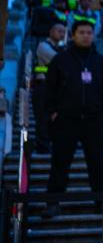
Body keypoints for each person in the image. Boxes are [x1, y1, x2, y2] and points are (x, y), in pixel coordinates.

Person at [43, 22, 103, 218]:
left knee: (97, 162)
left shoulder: (101, 62)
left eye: (89, 32)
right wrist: (53, 112)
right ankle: (53, 203)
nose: (85, 36)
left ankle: (102, 201)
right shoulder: (60, 60)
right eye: (81, 32)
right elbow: (49, 89)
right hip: (66, 120)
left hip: (93, 120)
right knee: (60, 162)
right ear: (73, 35)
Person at [32, 22, 65, 153]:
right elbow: (58, 61)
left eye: (63, 32)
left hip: (55, 88)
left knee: (54, 118)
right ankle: (42, 146)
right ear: (51, 31)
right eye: (59, 31)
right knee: (42, 117)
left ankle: (49, 145)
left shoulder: (61, 48)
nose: (62, 34)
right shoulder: (43, 46)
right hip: (42, 86)